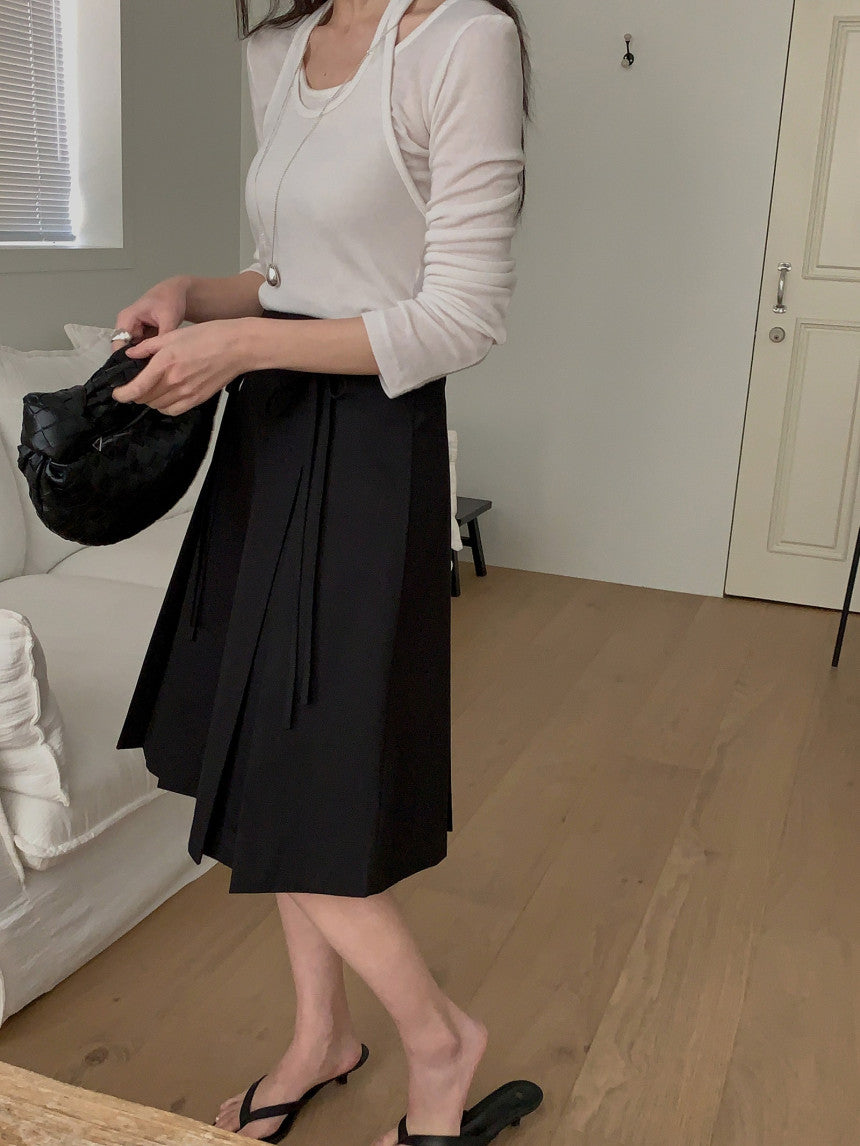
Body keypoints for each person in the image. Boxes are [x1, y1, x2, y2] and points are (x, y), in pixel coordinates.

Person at [111, 0, 531, 1142]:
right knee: (260, 762)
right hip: (271, 433)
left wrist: (238, 343)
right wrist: (197, 295)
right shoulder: (276, 47)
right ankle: (321, 1039)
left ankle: (439, 1043)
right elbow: (291, 272)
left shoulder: (461, 42)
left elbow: (462, 317)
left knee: (301, 769)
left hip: (372, 446)